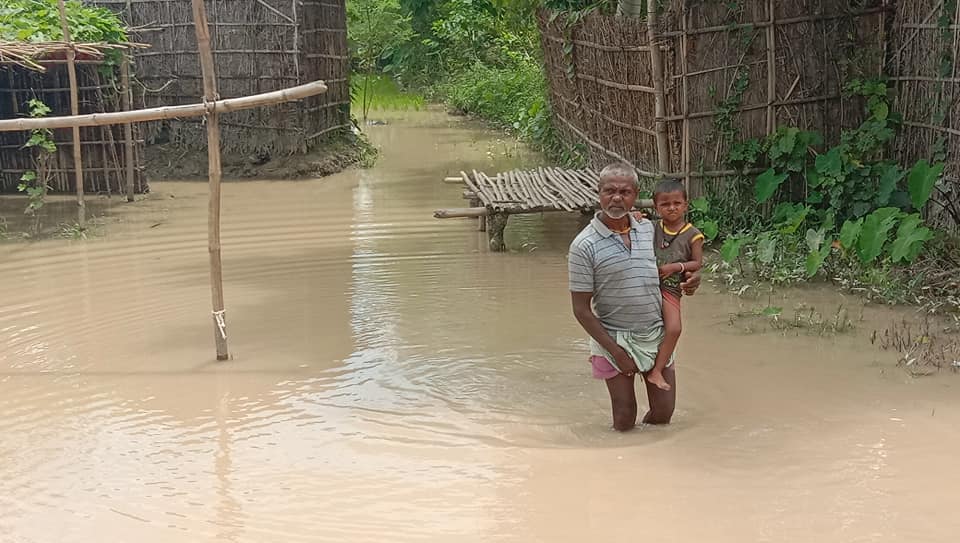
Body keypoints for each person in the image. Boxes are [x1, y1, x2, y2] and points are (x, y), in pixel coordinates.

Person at [568, 163, 700, 432]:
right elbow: (581, 310)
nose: (617, 198)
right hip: (613, 337)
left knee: (664, 413)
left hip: (655, 334)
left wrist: (692, 281)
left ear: (635, 195)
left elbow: (679, 264)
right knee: (624, 418)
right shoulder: (583, 245)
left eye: (625, 192)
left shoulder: (649, 230)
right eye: (610, 191)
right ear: (599, 193)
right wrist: (616, 352)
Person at [644, 180, 704, 392]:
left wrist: (675, 267)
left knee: (675, 328)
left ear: (686, 205)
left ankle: (657, 370)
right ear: (655, 207)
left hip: (669, 289)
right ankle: (603, 353)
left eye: (677, 203)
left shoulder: (693, 234)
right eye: (665, 204)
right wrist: (635, 218)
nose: (672, 208)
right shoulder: (651, 227)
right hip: (647, 285)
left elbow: (697, 263)